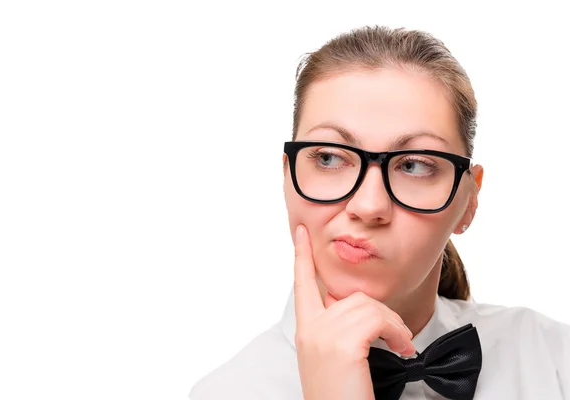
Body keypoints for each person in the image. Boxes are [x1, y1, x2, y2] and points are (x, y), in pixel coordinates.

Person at [188, 25, 570, 400]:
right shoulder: (225, 393)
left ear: (468, 200)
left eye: (415, 165)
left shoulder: (554, 359)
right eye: (329, 157)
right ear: (288, 178)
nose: (369, 207)